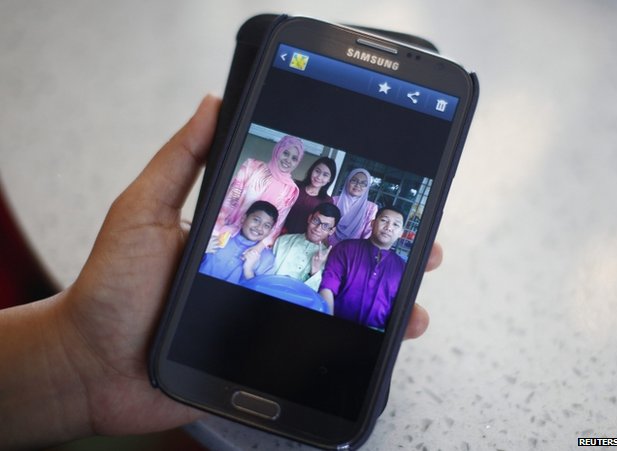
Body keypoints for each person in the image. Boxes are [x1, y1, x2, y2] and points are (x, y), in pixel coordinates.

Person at [0, 96, 441, 449]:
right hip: (226, 235)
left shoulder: (338, 243)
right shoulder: (267, 199)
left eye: (395, 223)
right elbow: (258, 233)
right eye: (286, 152)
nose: (291, 160)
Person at [319, 206, 407, 329]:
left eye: (396, 224)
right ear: (372, 223)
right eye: (384, 220)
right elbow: (327, 286)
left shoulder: (403, 269)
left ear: (400, 233)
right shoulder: (346, 248)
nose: (388, 227)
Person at [213, 134, 304, 246]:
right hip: (227, 232)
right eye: (286, 153)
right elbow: (230, 199)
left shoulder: (291, 190)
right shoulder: (252, 167)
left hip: (254, 243)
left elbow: (277, 223)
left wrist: (258, 248)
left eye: (294, 158)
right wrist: (215, 231)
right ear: (278, 150)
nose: (288, 160)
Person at [198, 201, 278, 283]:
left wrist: (248, 270)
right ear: (243, 218)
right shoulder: (219, 235)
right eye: (256, 220)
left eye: (266, 226)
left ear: (270, 231)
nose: (259, 228)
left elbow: (261, 292)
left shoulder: (267, 259)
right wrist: (200, 250)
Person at [272, 203, 341, 290]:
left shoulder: (330, 259)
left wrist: (316, 270)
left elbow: (320, 294)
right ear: (309, 218)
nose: (318, 228)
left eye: (325, 226)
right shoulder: (283, 241)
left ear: (332, 231)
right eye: (316, 221)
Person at [282, 156, 337, 235]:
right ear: (311, 170)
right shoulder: (295, 186)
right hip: (280, 233)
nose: (319, 177)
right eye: (317, 171)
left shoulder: (327, 201)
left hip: (302, 241)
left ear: (330, 179)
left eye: (325, 175)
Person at [329, 168, 378, 246]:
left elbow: (367, 235)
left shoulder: (371, 208)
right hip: (328, 245)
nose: (358, 185)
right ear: (348, 181)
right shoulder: (334, 201)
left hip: (352, 251)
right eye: (354, 180)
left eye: (363, 183)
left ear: (367, 187)